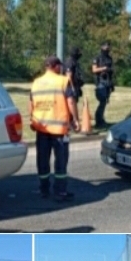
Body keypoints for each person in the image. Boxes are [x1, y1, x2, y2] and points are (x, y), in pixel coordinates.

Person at [29, 56, 80, 202]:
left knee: (42, 160)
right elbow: (70, 101)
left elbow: (31, 103)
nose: (62, 68)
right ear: (55, 66)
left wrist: (32, 120)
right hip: (59, 130)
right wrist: (75, 120)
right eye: (60, 66)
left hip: (41, 128)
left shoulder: (36, 83)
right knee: (61, 161)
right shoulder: (63, 81)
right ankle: (60, 191)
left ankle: (43, 189)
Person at [92, 42, 114, 129]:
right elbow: (94, 70)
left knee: (105, 102)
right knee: (102, 101)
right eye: (105, 47)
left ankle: (101, 120)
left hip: (108, 82)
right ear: (102, 47)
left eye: (108, 47)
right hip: (100, 82)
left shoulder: (109, 58)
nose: (107, 49)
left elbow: (111, 70)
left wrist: (112, 84)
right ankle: (98, 120)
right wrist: (103, 68)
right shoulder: (97, 57)